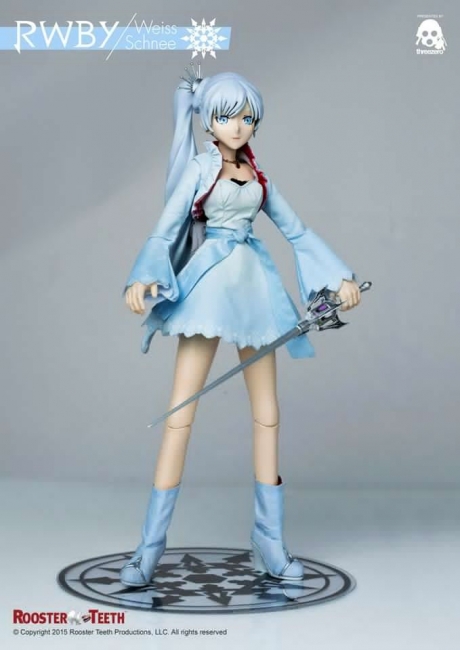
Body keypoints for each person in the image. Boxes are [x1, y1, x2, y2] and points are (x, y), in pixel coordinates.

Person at [119, 68, 361, 587]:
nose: (239, 125)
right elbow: (166, 228)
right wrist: (143, 276)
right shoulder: (200, 168)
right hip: (209, 288)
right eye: (228, 116)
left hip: (254, 290)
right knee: (180, 413)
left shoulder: (258, 176)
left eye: (247, 117)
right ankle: (149, 546)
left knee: (268, 414)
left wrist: (338, 276)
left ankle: (269, 540)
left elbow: (297, 231)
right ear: (208, 120)